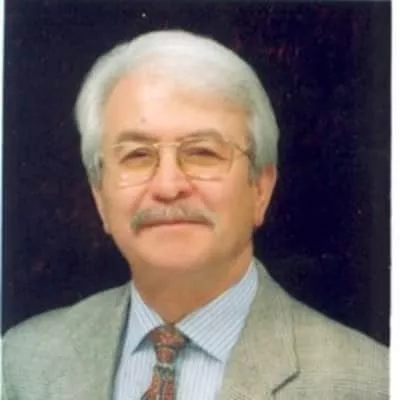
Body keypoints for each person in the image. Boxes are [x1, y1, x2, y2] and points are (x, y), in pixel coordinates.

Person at [2, 30, 388, 400]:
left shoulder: (371, 383)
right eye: (137, 155)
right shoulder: (20, 363)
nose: (168, 186)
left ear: (260, 187)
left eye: (203, 152)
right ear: (100, 196)